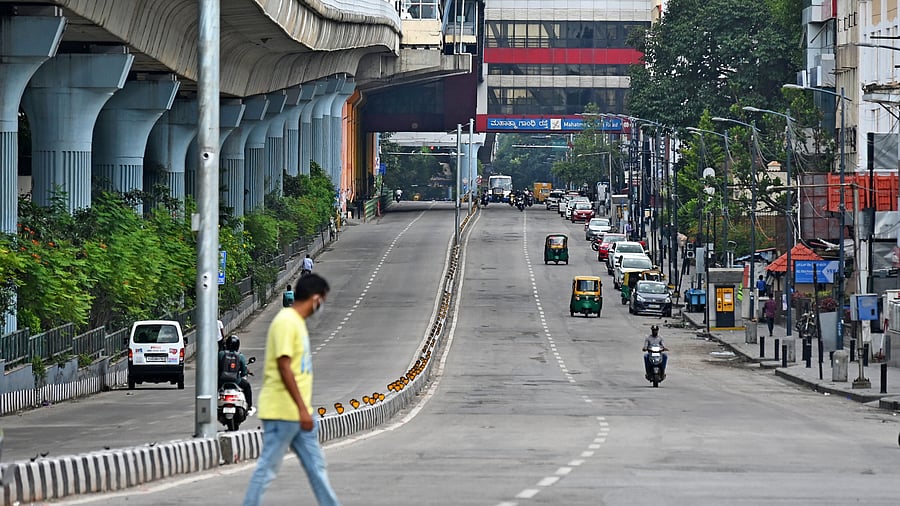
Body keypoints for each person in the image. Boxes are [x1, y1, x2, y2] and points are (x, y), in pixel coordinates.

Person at [243, 273, 339, 506]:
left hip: (297, 414)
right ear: (315, 298)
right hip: (283, 412)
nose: (321, 305)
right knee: (268, 468)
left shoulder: (297, 323)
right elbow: (284, 367)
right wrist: (302, 410)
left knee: (317, 466)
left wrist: (304, 410)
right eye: (322, 300)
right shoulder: (286, 322)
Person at [219, 335, 254, 416]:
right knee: (247, 386)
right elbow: (244, 371)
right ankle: (249, 407)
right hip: (236, 381)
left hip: (221, 381)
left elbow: (216, 367)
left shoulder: (221, 354)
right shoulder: (240, 356)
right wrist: (242, 374)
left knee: (213, 391)